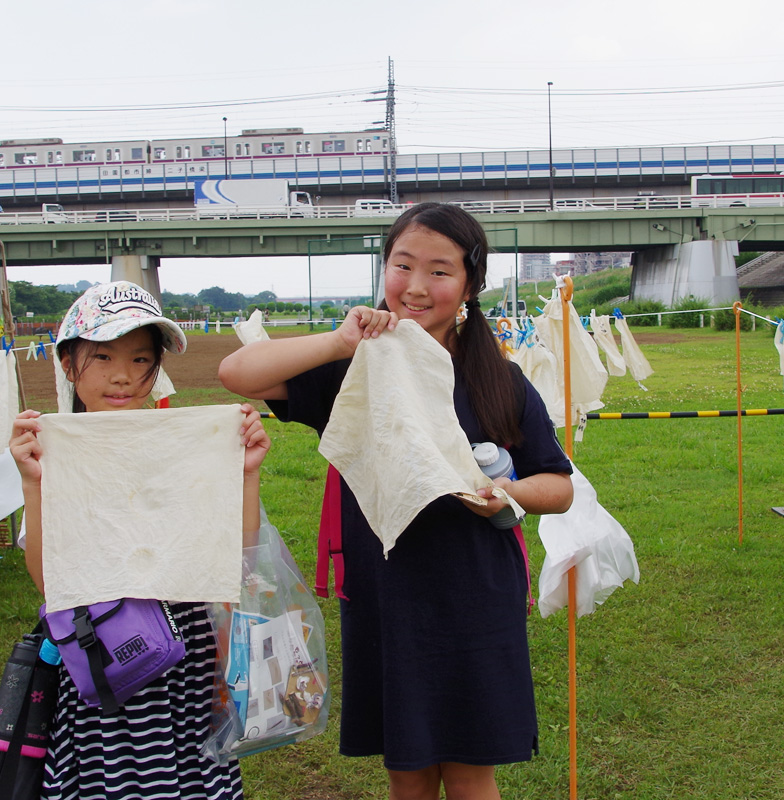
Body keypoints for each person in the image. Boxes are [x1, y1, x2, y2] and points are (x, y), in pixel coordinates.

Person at [217, 203, 573, 800]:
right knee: (405, 770)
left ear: (468, 284)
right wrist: (339, 339)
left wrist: (504, 493)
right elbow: (237, 373)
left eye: (439, 271)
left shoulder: (498, 381)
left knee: (469, 769)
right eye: (401, 265)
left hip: (476, 596)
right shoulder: (356, 370)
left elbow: (557, 486)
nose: (414, 286)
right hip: (388, 594)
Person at [9, 280, 269, 800]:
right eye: (101, 357)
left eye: (140, 359)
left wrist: (245, 474)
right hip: (102, 650)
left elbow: (236, 552)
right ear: (66, 364)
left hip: (186, 656)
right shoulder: (54, 449)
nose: (122, 375)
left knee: (190, 775)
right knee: (113, 781)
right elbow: (47, 578)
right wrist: (33, 483)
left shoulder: (186, 445)